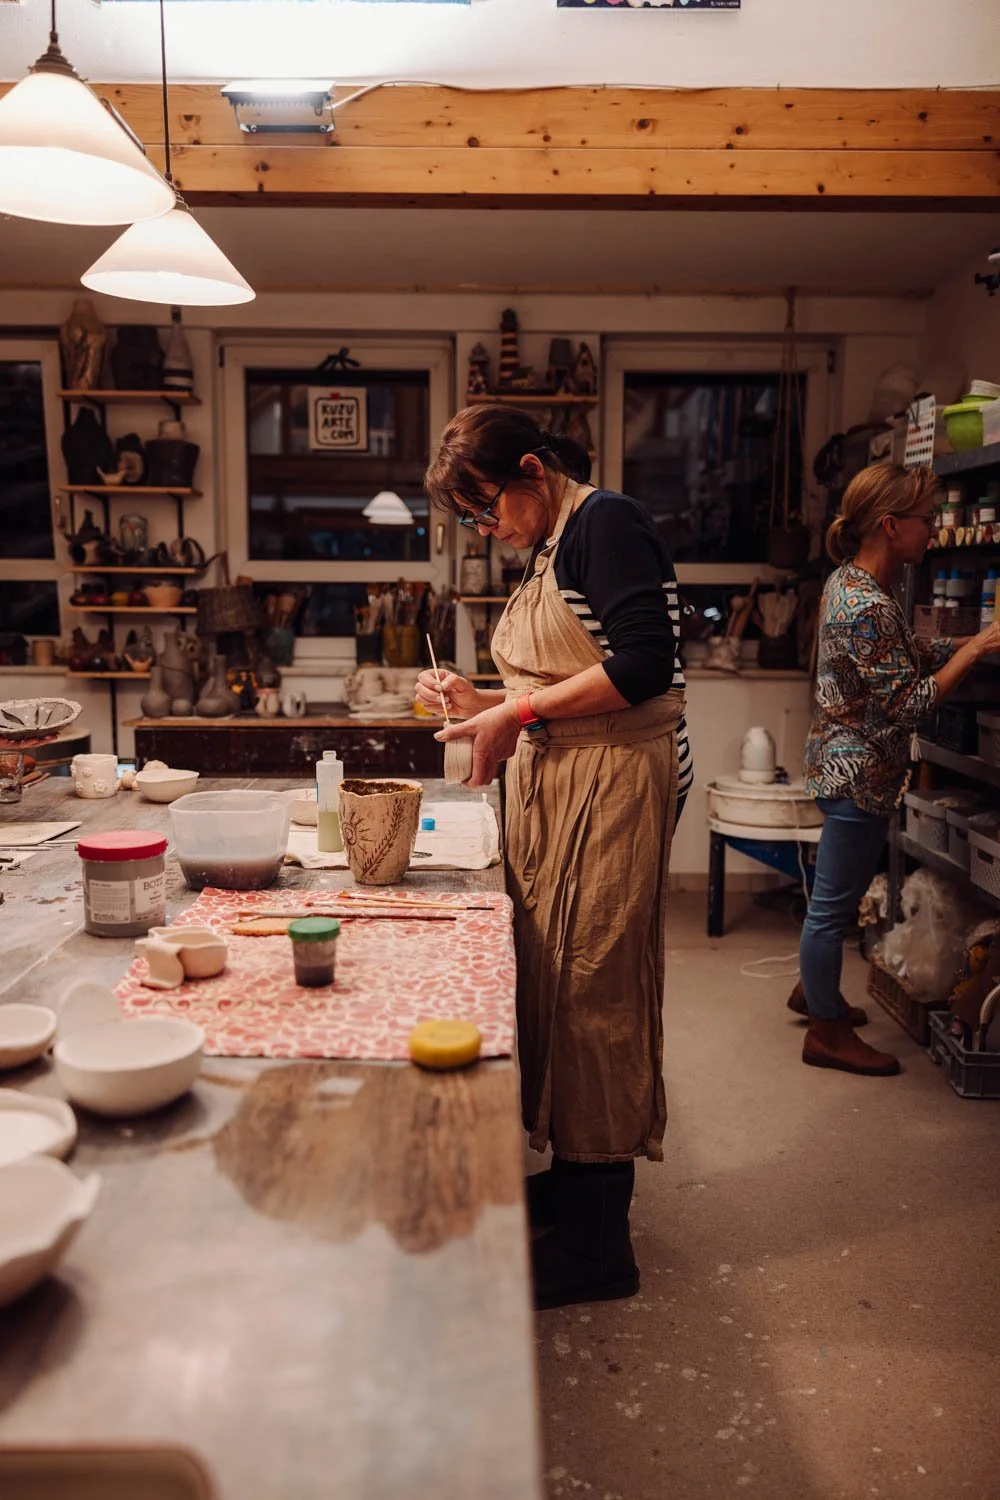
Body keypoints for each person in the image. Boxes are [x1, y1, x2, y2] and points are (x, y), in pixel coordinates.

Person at [417, 404, 692, 1310]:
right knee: (556, 980)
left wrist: (514, 713)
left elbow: (646, 664)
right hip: (568, 778)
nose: (485, 529)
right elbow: (563, 674)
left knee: (596, 990)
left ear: (533, 469)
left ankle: (599, 1248)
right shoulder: (550, 545)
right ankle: (577, 1189)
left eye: (486, 506)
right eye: (470, 518)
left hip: (613, 785)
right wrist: (483, 695)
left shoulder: (604, 522)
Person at [798, 461, 1000, 1076]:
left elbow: (900, 655)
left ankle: (817, 992)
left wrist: (967, 640)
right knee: (831, 910)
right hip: (859, 775)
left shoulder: (852, 583)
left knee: (838, 897)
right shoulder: (870, 605)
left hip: (842, 764)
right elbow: (909, 703)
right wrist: (974, 650)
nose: (932, 529)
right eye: (924, 519)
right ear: (891, 526)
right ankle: (825, 1031)